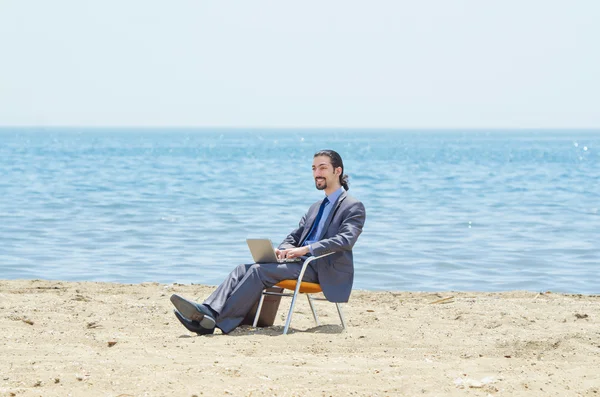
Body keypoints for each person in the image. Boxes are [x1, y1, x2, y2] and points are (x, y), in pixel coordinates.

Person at [170, 149, 366, 335]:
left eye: (322, 167)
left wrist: (305, 249)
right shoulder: (316, 207)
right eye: (314, 168)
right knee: (242, 268)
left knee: (258, 271)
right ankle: (207, 309)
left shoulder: (352, 206)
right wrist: (283, 250)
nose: (317, 173)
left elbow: (345, 240)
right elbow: (294, 236)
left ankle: (215, 321)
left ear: (337, 170)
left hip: (321, 268)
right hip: (298, 263)